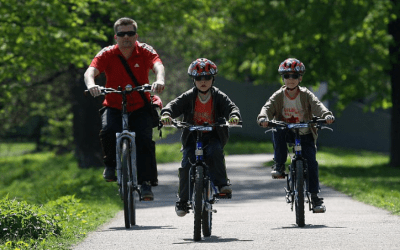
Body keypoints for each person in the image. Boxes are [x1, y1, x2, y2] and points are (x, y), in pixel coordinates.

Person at [84, 17, 165, 201]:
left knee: (145, 140)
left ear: (136, 35)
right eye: (122, 34)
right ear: (116, 37)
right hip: (114, 105)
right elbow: (90, 71)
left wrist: (159, 80)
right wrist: (91, 85)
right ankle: (111, 166)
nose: (126, 37)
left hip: (140, 106)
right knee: (108, 130)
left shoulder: (144, 50)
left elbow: (158, 65)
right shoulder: (107, 53)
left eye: (130, 33)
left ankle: (146, 184)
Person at [160, 58, 241, 217]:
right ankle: (182, 201)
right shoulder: (189, 96)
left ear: (213, 79)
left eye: (207, 78)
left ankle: (222, 184)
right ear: (193, 80)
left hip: (212, 135)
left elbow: (231, 107)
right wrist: (167, 114)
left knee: (215, 151)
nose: (203, 81)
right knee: (186, 165)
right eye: (198, 78)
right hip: (192, 137)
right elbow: (173, 105)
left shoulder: (218, 96)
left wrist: (234, 116)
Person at [257, 58, 334, 212]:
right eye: (287, 76)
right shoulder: (279, 95)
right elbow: (267, 107)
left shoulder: (306, 94)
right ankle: (279, 164)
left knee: (311, 162)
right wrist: (263, 117)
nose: (290, 79)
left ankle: (315, 197)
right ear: (282, 78)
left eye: (294, 76)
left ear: (300, 78)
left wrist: (326, 115)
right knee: (277, 130)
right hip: (287, 132)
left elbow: (318, 106)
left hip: (305, 132)